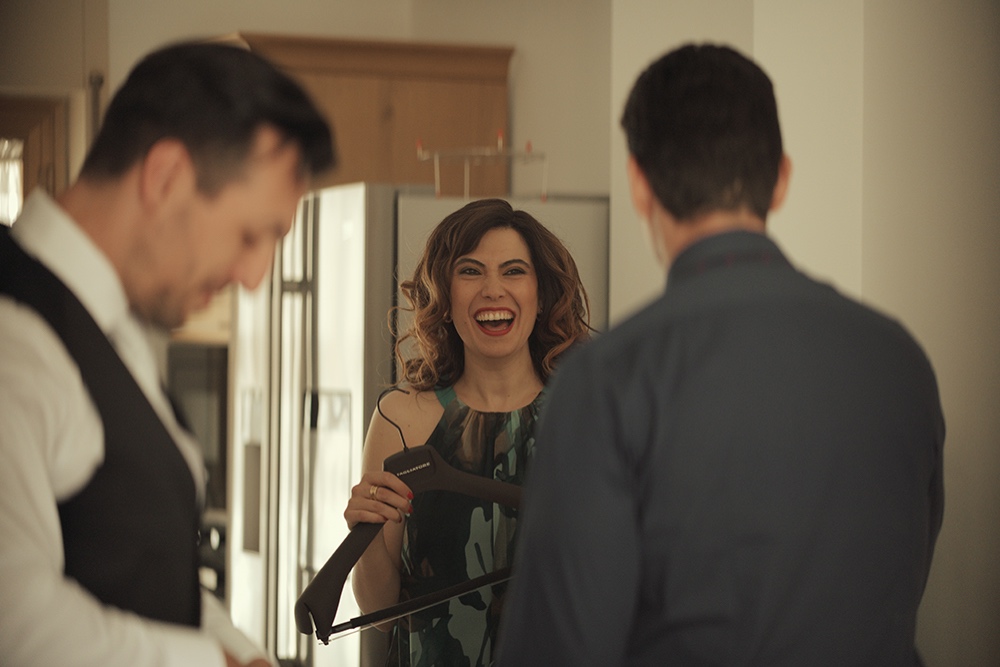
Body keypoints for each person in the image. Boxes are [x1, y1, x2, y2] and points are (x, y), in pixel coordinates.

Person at [496, 43, 945, 666]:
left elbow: (559, 650)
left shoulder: (607, 381)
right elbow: (903, 582)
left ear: (639, 185)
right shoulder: (898, 360)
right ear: (781, 179)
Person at [0, 41, 335, 667]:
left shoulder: (113, 327)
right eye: (250, 234)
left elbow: (145, 574)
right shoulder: (14, 336)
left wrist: (244, 653)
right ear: (165, 177)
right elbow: (16, 625)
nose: (256, 277)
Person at [343, 198, 591, 666]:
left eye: (513, 271)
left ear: (540, 296)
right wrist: (366, 533)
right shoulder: (400, 420)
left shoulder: (586, 417)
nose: (493, 290)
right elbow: (379, 613)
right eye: (471, 272)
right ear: (445, 296)